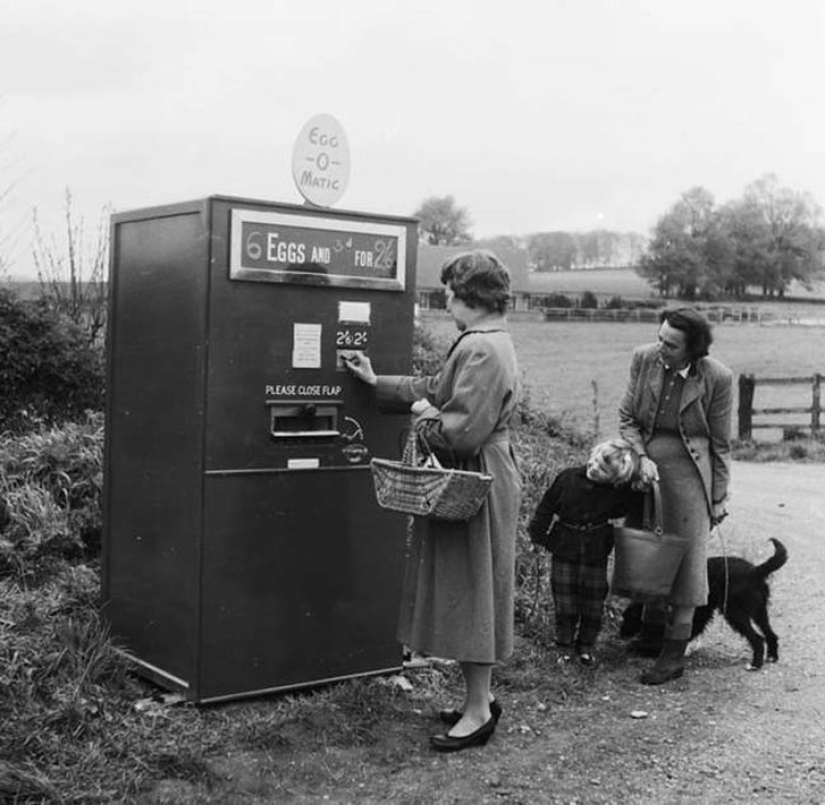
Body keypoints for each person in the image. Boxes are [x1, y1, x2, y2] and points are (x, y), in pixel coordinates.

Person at [342, 250, 521, 752]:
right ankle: (477, 699)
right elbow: (439, 388)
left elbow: (458, 433)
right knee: (472, 588)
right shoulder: (487, 341)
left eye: (448, 292)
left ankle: (479, 711)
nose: (445, 302)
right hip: (481, 473)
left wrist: (422, 413)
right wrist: (377, 382)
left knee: (474, 590)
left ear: (470, 295)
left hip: (475, 476)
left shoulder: (481, 348)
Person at [618, 307, 733, 684]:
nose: (661, 348)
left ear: (693, 350)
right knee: (649, 551)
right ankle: (650, 634)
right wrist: (640, 457)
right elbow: (627, 418)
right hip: (646, 475)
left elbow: (720, 444)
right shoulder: (643, 358)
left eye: (670, 345)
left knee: (686, 565)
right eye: (660, 338)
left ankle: (672, 655)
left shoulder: (717, 378)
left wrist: (718, 497)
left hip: (689, 478)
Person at [529, 438, 644, 666]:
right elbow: (546, 507)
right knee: (565, 602)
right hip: (564, 546)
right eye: (595, 460)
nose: (594, 468)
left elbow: (634, 501)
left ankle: (586, 646)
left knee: (593, 602)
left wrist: (641, 481)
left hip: (595, 551)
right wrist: (538, 535)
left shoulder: (616, 491)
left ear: (615, 479)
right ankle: (564, 645)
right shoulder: (567, 478)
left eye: (603, 470)